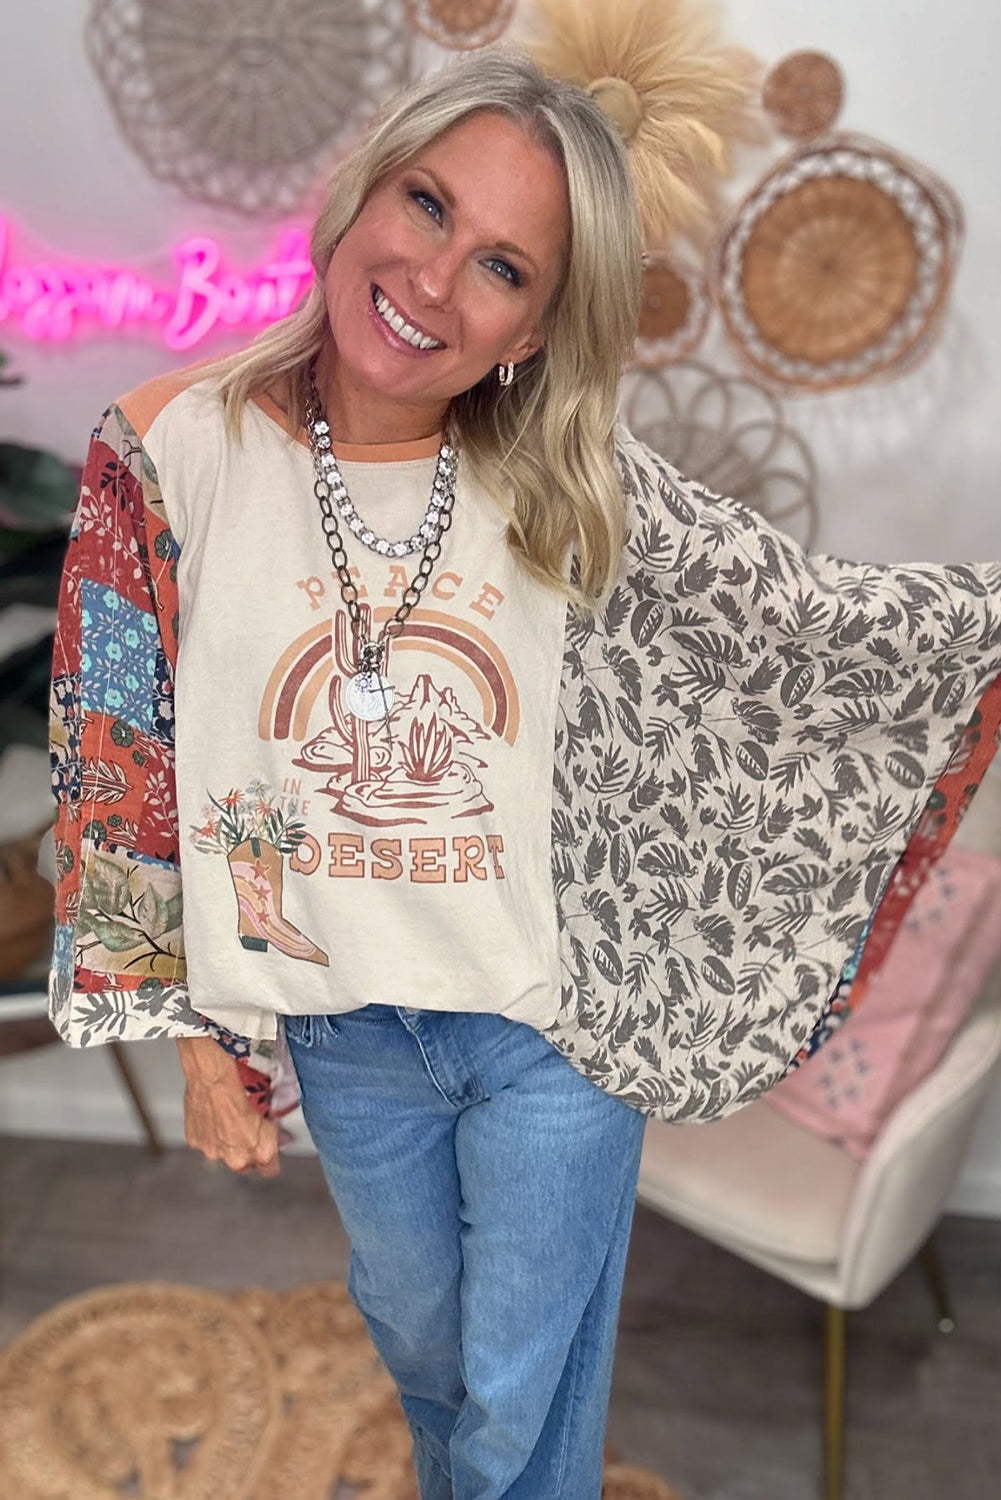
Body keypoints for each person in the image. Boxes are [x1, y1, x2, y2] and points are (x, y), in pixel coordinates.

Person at [46, 45, 1001, 1500]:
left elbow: (817, 630)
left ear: (534, 331)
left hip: (550, 1026)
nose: (433, 280)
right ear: (363, 189)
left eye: (501, 267)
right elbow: (117, 751)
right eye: (427, 205)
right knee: (421, 1351)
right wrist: (193, 1035)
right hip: (345, 1031)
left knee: (521, 1398)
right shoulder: (170, 451)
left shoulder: (574, 485)